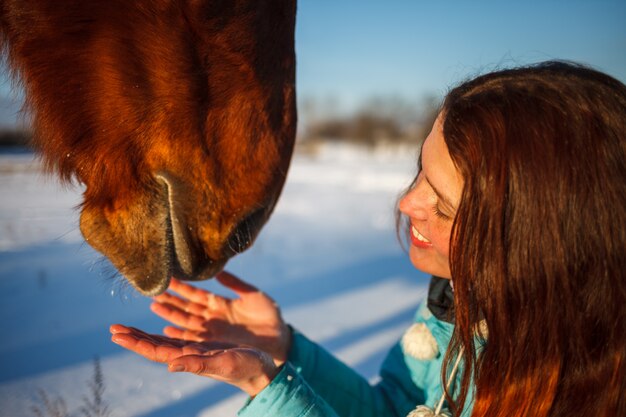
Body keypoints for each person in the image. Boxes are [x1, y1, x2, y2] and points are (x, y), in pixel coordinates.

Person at [110, 61, 626, 417]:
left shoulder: (577, 393)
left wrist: (264, 389)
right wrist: (285, 351)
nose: (407, 203)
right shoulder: (456, 306)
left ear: (538, 242)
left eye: (442, 202)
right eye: (420, 171)